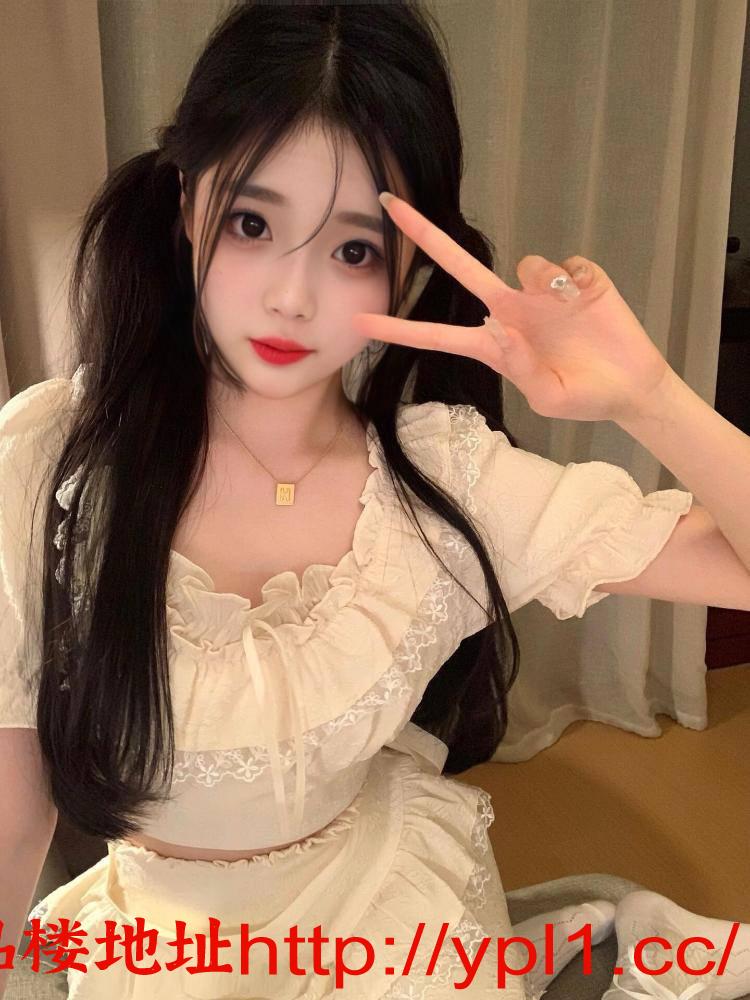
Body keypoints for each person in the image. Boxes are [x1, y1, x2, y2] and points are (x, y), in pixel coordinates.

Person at [1, 3, 748, 999]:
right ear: (186, 203)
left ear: (409, 265)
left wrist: (649, 398)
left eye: (352, 249)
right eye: (253, 223)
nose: (292, 296)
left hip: (392, 931)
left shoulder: (443, 483)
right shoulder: (55, 457)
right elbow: (13, 812)